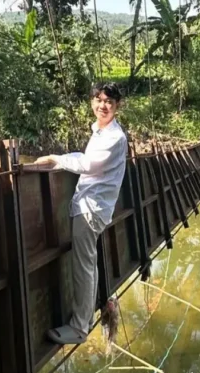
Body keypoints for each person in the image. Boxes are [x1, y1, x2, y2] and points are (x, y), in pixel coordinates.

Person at [34, 82, 128, 345]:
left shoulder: (114, 138)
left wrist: (56, 158)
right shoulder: (101, 132)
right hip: (92, 206)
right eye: (98, 100)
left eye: (108, 101)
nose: (103, 105)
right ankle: (85, 319)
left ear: (117, 106)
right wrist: (61, 157)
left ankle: (78, 328)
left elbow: (86, 163)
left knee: (84, 265)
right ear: (91, 103)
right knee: (89, 262)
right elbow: (86, 156)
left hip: (91, 209)